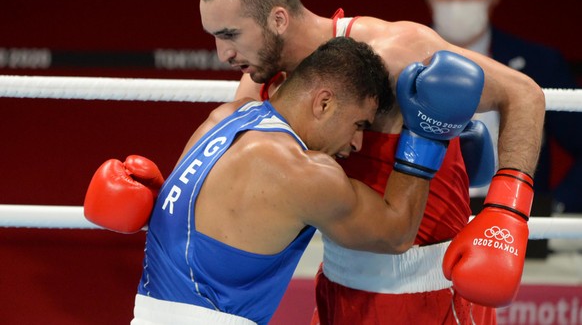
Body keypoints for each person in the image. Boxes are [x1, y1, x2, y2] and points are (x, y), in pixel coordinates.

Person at [199, 0, 545, 324]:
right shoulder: (261, 79)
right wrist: (153, 195)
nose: (224, 54)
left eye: (230, 35)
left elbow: (523, 95)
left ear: (278, 19)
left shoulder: (395, 50)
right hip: (338, 289)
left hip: (430, 294)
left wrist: (506, 212)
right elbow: (223, 170)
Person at [83, 36, 486, 324]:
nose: (358, 142)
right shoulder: (301, 170)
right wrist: (427, 135)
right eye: (359, 123)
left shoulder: (224, 119)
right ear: (324, 102)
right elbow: (396, 232)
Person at [421, 0, 582, 214]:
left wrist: (553, 207)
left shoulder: (540, 63)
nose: (456, 5)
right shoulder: (398, 58)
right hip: (418, 227)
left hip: (512, 225)